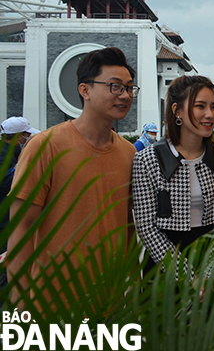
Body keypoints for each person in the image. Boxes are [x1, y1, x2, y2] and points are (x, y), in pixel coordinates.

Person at [7, 47, 138, 302]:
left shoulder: (129, 152)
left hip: (108, 303)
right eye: (115, 86)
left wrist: (132, 289)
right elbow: (21, 228)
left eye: (130, 88)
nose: (125, 95)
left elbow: (129, 227)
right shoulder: (45, 146)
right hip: (52, 305)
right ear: (85, 90)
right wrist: (21, 303)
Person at [132, 75, 214, 281]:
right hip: (163, 267)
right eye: (200, 106)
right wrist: (188, 277)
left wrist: (209, 275)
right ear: (176, 111)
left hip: (212, 263)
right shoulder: (147, 160)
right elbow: (147, 227)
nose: (210, 114)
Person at [0, 117, 40, 290]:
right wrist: (23, 166)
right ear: (18, 138)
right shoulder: (5, 156)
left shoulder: (8, 154)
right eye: (26, 136)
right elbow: (6, 184)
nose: (27, 140)